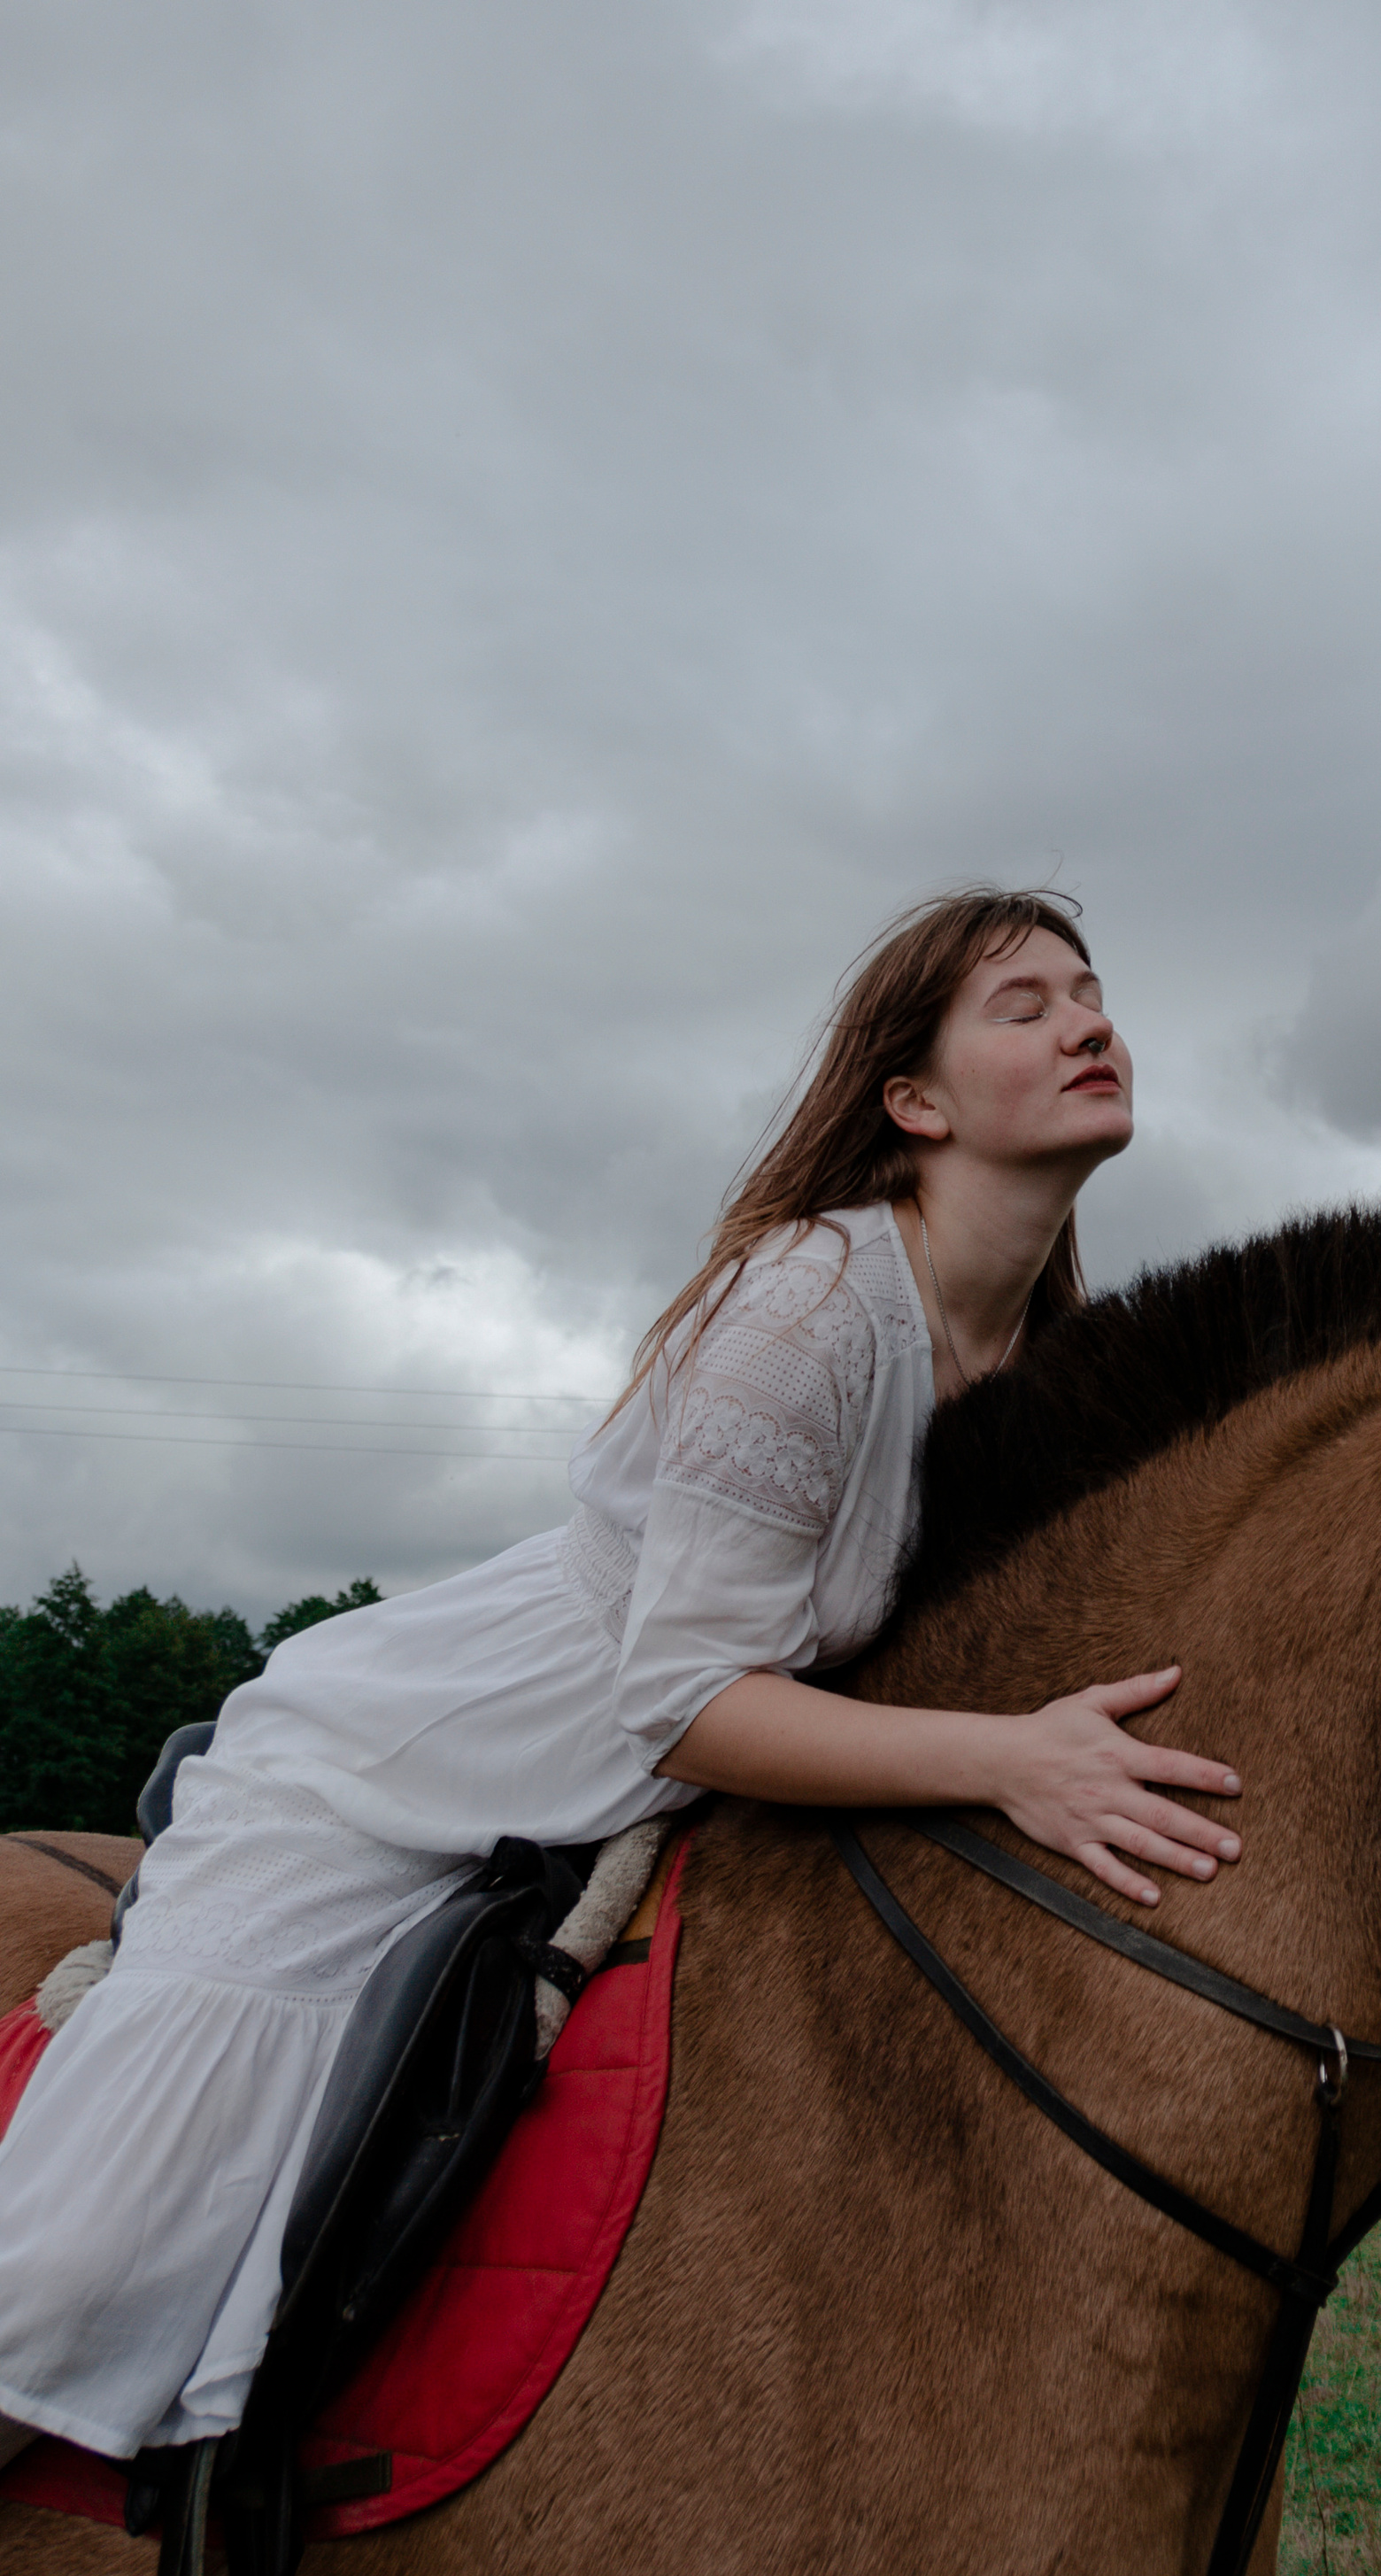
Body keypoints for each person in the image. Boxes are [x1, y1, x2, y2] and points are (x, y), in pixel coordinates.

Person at [0, 887, 1243, 2472]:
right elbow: (682, 1701)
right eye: (1027, 1004)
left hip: (668, 1792)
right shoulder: (806, 1307)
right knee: (77, 2274)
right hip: (418, 1770)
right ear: (914, 1102)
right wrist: (1007, 1758)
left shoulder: (1034, 1355)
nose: (1089, 1022)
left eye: (1093, 992)